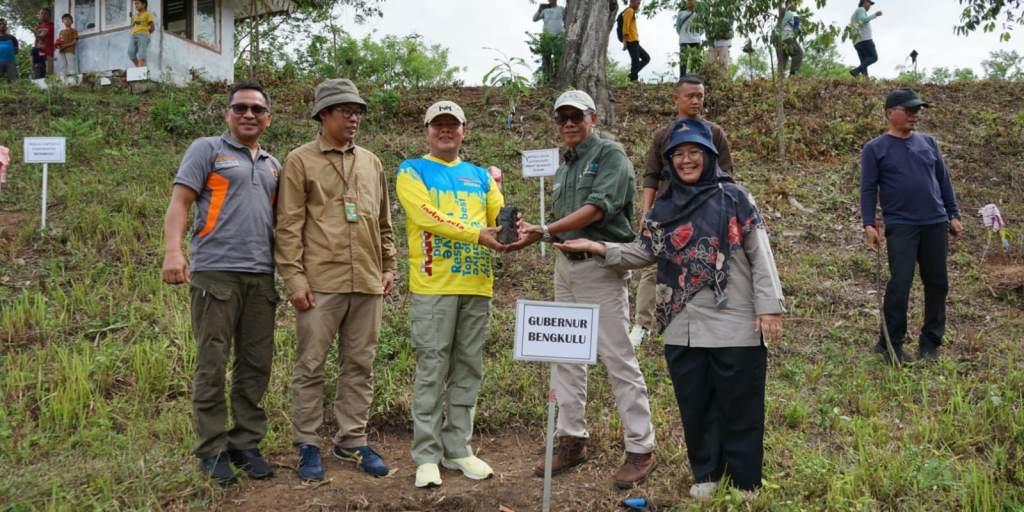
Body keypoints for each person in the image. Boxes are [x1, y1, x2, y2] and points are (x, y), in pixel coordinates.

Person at [556, 118, 784, 500]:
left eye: (695, 152)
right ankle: (706, 474)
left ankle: (745, 482)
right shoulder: (664, 207)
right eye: (678, 155)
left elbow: (761, 255)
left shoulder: (736, 198)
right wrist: (601, 249)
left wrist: (769, 307)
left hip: (734, 320)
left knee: (739, 403)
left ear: (710, 156)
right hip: (682, 322)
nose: (686, 160)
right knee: (696, 403)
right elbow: (643, 251)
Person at [515, 90, 658, 489]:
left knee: (618, 357)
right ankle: (571, 437)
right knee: (566, 354)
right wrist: (536, 232)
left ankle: (640, 446)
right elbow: (565, 221)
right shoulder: (565, 166)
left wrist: (546, 229)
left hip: (601, 267)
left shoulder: (610, 156)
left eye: (576, 116)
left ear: (593, 117)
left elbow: (598, 209)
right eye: (561, 119)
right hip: (566, 268)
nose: (568, 125)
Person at [274, 78, 397, 482]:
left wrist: (388, 265)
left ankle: (352, 440)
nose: (353, 116)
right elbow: (288, 225)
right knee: (310, 365)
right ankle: (307, 443)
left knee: (360, 364)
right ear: (323, 115)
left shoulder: (372, 162)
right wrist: (294, 278)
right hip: (320, 282)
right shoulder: (300, 160)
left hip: (366, 280)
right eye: (345, 109)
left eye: (358, 110)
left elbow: (383, 221)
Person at [161, 82, 280, 484]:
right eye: (241, 107)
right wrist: (174, 252)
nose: (249, 114)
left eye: (257, 109)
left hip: (262, 277)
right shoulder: (207, 149)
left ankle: (245, 442)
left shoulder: (272, 165)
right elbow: (179, 202)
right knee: (212, 363)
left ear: (268, 118)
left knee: (255, 364)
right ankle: (211, 449)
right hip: (216, 274)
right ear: (228, 113)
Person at [396, 101, 508, 489]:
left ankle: (458, 448)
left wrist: (514, 228)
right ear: (427, 130)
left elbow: (500, 217)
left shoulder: (480, 176)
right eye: (438, 124)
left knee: (467, 369)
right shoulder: (412, 170)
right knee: (432, 368)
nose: (445, 130)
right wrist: (477, 233)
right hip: (434, 287)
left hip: (477, 285)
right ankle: (426, 455)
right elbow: (425, 215)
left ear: (464, 129)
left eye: (452, 125)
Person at [861, 88, 963, 362]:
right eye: (908, 110)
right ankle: (890, 344)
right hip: (902, 225)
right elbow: (869, 189)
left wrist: (952, 214)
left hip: (935, 223)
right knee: (900, 284)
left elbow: (943, 181)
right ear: (889, 113)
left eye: (917, 111)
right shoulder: (875, 149)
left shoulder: (929, 143)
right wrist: (869, 223)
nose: (914, 116)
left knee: (938, 283)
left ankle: (930, 343)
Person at [631, 75, 734, 345]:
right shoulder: (664, 136)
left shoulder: (715, 133)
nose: (696, 101)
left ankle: (702, 321)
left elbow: (726, 176)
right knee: (653, 267)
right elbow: (651, 176)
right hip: (667, 210)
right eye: (690, 96)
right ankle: (642, 324)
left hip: (705, 211)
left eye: (700, 95)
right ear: (676, 99)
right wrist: (647, 211)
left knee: (707, 264)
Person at [533, 0, 565, 83]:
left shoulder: (561, 9)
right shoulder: (544, 10)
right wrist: (539, 9)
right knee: (546, 59)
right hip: (547, 38)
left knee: (558, 59)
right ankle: (547, 80)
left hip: (558, 38)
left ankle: (557, 79)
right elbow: (534, 19)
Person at [849, 0, 881, 77]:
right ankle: (856, 71)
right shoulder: (861, 9)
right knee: (873, 57)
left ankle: (866, 81)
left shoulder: (854, 15)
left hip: (857, 42)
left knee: (864, 63)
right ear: (865, 2)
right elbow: (862, 20)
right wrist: (875, 15)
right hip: (865, 39)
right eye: (869, 3)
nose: (870, 6)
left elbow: (854, 27)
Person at [622, 0, 651, 82]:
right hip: (630, 41)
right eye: (637, 3)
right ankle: (634, 79)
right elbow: (625, 27)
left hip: (635, 41)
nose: (638, 5)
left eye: (639, 3)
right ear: (632, 1)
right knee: (635, 60)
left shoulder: (632, 12)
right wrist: (625, 42)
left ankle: (632, 74)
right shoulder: (629, 11)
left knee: (646, 58)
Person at [675, 0, 703, 78]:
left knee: (696, 61)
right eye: (689, 1)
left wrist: (697, 35)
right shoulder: (681, 13)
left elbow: (702, 28)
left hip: (696, 40)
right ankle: (682, 78)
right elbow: (678, 27)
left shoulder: (698, 14)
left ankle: (695, 78)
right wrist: (682, 35)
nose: (690, 3)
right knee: (683, 62)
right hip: (684, 40)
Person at [129, 0, 156, 67]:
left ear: (143, 4)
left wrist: (146, 34)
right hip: (134, 35)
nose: (136, 5)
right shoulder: (135, 15)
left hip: (143, 35)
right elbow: (133, 24)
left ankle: (140, 70)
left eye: (137, 3)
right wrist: (132, 19)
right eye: (135, 4)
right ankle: (140, 68)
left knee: (141, 54)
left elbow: (152, 28)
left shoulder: (147, 14)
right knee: (130, 52)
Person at [779, 4, 803, 77]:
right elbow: (795, 30)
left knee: (783, 59)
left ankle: (779, 78)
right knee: (798, 53)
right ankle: (793, 74)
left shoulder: (782, 15)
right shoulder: (791, 14)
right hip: (788, 37)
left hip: (780, 39)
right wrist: (798, 31)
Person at [31, 8, 54, 79]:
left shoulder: (53, 25)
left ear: (49, 15)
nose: (43, 15)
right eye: (41, 13)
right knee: (39, 75)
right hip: (39, 55)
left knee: (49, 75)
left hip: (50, 53)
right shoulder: (38, 27)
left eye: (45, 13)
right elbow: (36, 40)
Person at [56, 14, 78, 79]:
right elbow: (59, 41)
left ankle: (72, 79)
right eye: (65, 19)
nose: (67, 21)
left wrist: (65, 46)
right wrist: (58, 46)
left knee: (71, 64)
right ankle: (63, 79)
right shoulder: (61, 32)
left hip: (70, 50)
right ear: (62, 21)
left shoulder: (73, 30)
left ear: (72, 21)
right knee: (62, 65)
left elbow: (74, 42)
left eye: (69, 19)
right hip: (62, 50)